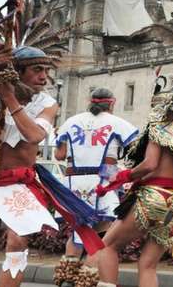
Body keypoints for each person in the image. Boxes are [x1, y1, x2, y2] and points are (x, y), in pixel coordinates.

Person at [0, 44, 105, 287]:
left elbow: (34, 136)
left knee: (17, 243)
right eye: (37, 70)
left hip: (19, 184)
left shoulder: (47, 103)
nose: (44, 76)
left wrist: (10, 99)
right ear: (17, 72)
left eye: (46, 70)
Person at [91, 27, 173, 287]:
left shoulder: (158, 128)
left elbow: (150, 165)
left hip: (154, 198)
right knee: (148, 264)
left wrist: (121, 177)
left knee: (107, 246)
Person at [51, 88, 139, 286]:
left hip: (73, 185)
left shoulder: (70, 122)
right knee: (101, 237)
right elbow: (136, 152)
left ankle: (67, 278)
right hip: (102, 185)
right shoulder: (119, 123)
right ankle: (87, 278)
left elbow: (59, 156)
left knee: (78, 232)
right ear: (112, 103)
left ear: (90, 102)